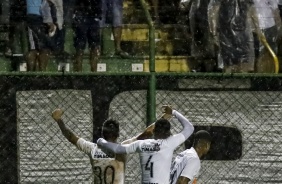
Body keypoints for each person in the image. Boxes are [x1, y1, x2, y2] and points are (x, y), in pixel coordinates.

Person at [51, 108, 170, 183]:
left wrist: (59, 120)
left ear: (102, 133)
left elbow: (71, 137)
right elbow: (147, 133)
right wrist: (164, 118)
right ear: (118, 134)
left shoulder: (92, 148)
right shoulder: (123, 148)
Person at [97, 105, 195, 184]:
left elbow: (117, 149)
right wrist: (173, 112)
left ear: (155, 131)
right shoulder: (170, 142)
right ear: (168, 133)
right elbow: (190, 128)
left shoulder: (141, 145)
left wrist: (101, 141)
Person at [208, 0, 255, 73]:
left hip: (243, 30)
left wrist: (255, 28)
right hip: (226, 32)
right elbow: (214, 10)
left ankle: (241, 81)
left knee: (244, 61)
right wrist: (214, 32)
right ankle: (230, 81)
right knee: (229, 62)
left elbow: (250, 10)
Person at [25, 0, 56, 71]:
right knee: (36, 49)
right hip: (35, 18)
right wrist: (49, 22)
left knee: (39, 48)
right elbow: (44, 5)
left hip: (35, 17)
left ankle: (37, 74)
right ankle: (38, 74)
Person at [72, 0, 102, 72]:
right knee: (80, 46)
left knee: (93, 46)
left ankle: (93, 72)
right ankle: (79, 72)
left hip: (92, 15)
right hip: (82, 15)